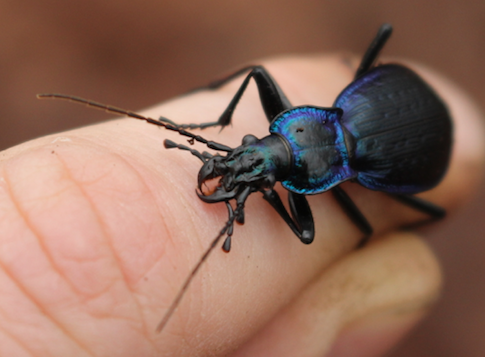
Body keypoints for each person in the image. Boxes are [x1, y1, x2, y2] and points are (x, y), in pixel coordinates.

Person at [0, 54, 483, 356]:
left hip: (415, 139)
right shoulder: (310, 143)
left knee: (380, 221)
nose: (248, 168)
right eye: (253, 148)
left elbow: (305, 232)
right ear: (281, 130)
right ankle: (217, 115)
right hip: (394, 98)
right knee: (266, 74)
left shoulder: (343, 168)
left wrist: (270, 190)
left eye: (264, 173)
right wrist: (266, 184)